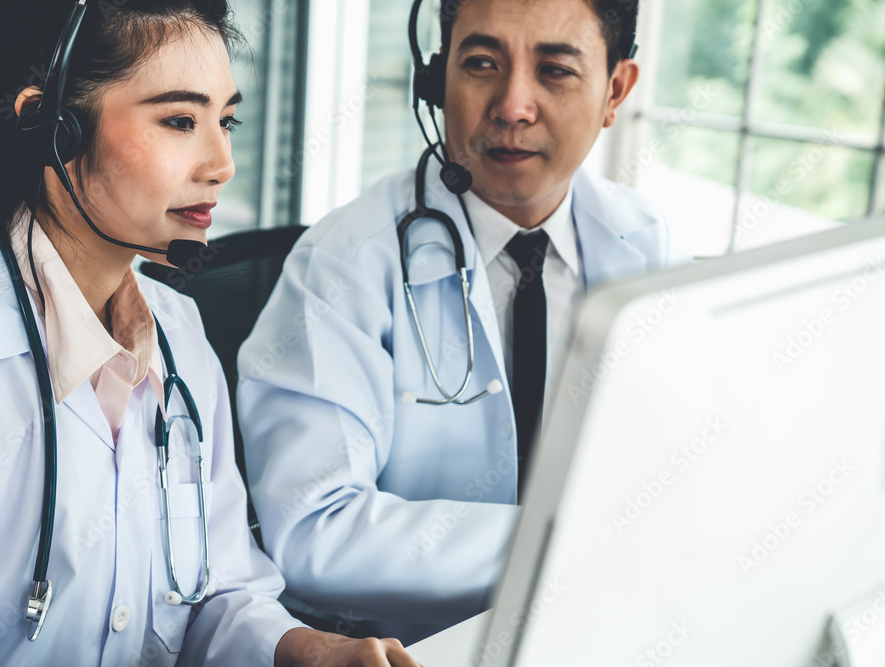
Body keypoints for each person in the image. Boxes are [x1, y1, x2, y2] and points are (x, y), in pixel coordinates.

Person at [0, 1, 422, 665]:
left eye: (225, 120)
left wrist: (304, 649)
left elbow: (216, 587)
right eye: (179, 121)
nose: (221, 162)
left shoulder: (179, 331)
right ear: (50, 128)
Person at [237, 0, 689, 644]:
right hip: (417, 650)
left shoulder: (647, 243)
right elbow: (314, 532)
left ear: (615, 90)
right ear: (436, 78)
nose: (512, 106)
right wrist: (568, 545)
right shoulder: (343, 263)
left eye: (555, 70)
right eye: (480, 63)